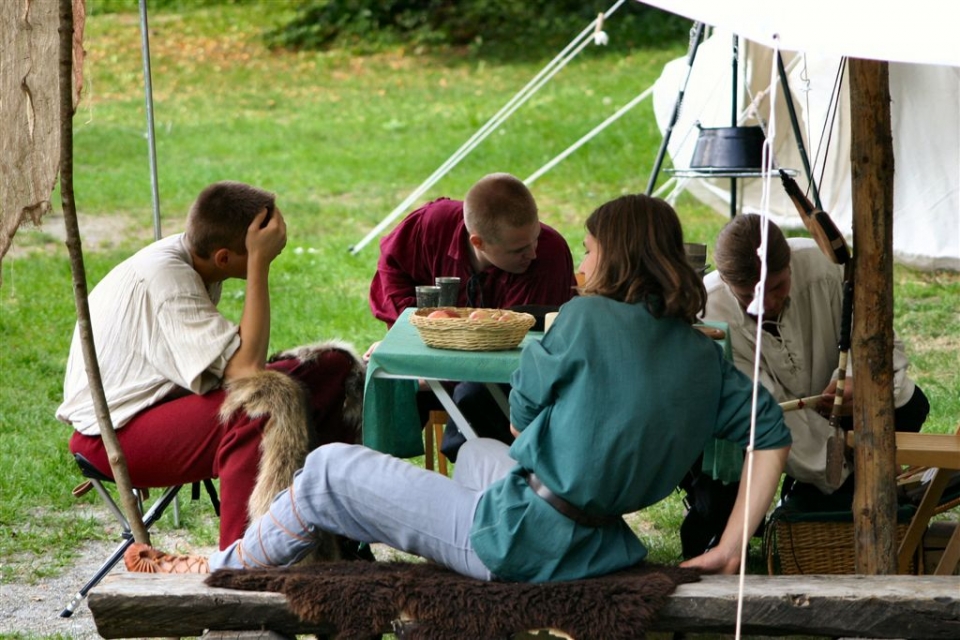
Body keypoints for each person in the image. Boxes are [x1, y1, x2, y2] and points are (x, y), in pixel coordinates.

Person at [124, 193, 791, 581]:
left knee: (327, 471)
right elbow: (773, 432)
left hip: (519, 540)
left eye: (587, 251)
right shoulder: (704, 358)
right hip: (600, 541)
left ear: (613, 257)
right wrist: (733, 543)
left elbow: (525, 411)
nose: (580, 264)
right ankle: (252, 555)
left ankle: (222, 567)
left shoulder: (584, 318)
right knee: (475, 456)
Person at [58, 181, 366, 550]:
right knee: (262, 403)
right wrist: (259, 265)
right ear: (223, 258)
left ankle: (330, 540)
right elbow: (247, 371)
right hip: (113, 434)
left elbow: (234, 365)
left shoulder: (196, 258)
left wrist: (252, 256)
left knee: (332, 369)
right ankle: (246, 560)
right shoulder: (169, 282)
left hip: (162, 405)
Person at [683, 214, 929, 555]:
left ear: (790, 269)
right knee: (729, 475)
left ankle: (823, 489)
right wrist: (839, 461)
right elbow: (769, 412)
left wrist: (859, 378)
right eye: (749, 296)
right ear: (726, 282)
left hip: (841, 409)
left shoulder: (823, 267)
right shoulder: (710, 311)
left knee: (910, 406)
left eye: (778, 287)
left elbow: (878, 338)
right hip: (766, 429)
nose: (767, 303)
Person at [368, 173, 577, 459]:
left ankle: (483, 485)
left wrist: (433, 370)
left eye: (535, 238)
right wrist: (412, 342)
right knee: (373, 383)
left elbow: (519, 353)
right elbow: (390, 272)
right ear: (478, 242)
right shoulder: (432, 226)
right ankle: (374, 476)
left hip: (507, 381)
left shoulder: (548, 256)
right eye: (518, 249)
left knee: (476, 396)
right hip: (432, 362)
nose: (533, 252)